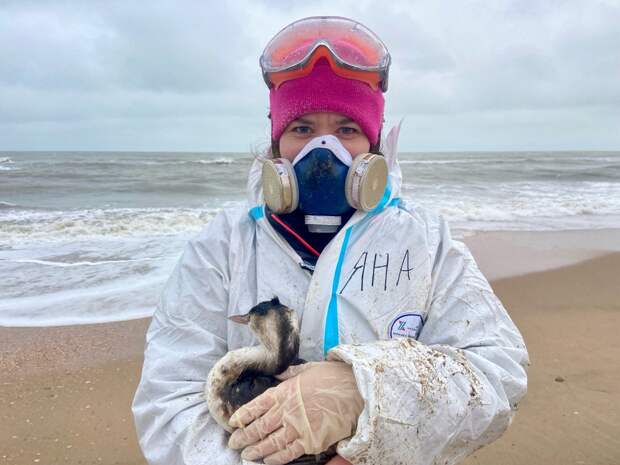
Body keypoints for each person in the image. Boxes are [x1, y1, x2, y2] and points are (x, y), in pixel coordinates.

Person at [132, 16, 529, 465]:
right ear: (277, 145)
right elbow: (167, 400)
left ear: (374, 149)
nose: (324, 150)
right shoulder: (224, 244)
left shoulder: (425, 242)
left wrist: (366, 389)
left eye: (346, 129)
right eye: (302, 128)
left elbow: (496, 375)